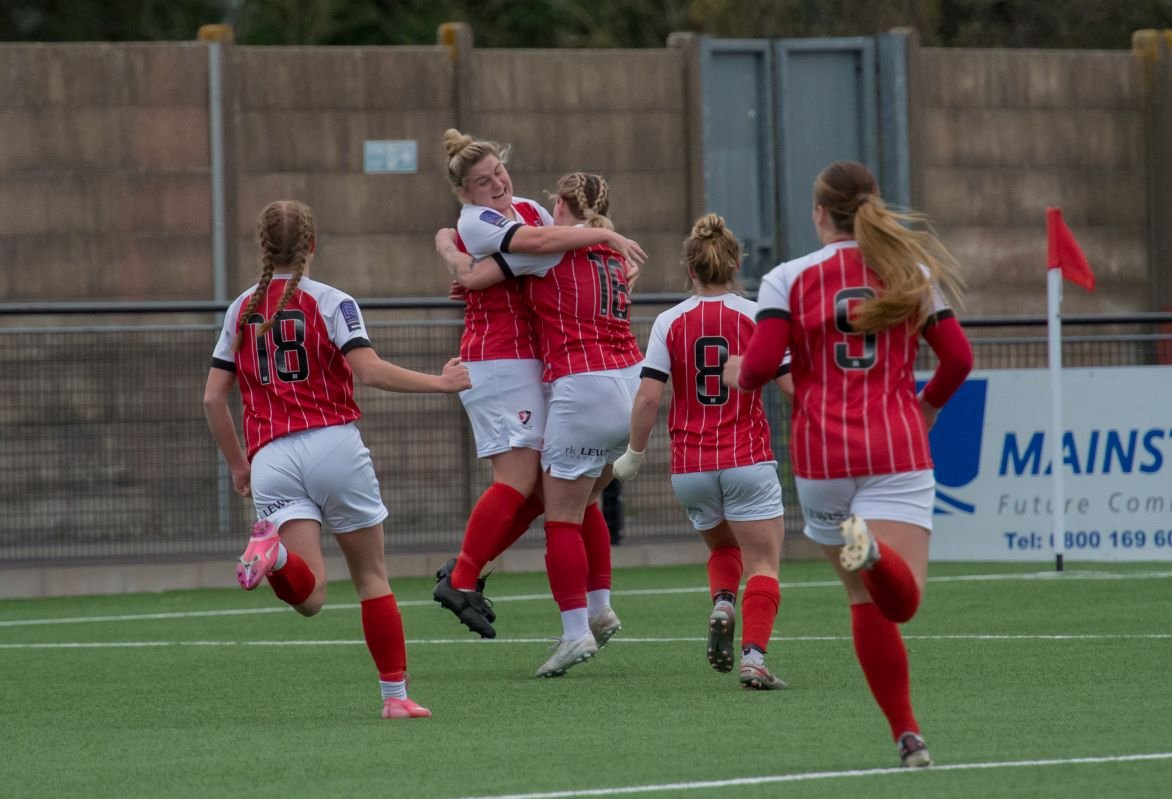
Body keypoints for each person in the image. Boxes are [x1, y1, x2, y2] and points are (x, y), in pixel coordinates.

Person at [723, 161, 974, 766]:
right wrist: (928, 408)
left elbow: (758, 368)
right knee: (902, 602)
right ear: (874, 206)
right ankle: (879, 556)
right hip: (895, 445)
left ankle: (907, 735)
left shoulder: (787, 277)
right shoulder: (908, 270)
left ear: (818, 214)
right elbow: (958, 359)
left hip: (822, 457)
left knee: (864, 603)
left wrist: (739, 372)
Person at [202, 199, 471, 720]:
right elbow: (367, 371)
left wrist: (239, 465)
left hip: (270, 458)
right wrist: (441, 383)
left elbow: (213, 398)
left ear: (262, 248)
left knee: (311, 597)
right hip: (332, 444)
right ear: (313, 245)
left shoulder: (240, 310)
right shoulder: (331, 301)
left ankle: (276, 558)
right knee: (372, 577)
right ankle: (395, 699)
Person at [432, 130, 644, 641]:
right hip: (500, 360)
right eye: (482, 182)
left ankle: (593, 608)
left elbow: (551, 247)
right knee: (524, 481)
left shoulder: (525, 206)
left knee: (569, 487)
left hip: (535, 360)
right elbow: (542, 246)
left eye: (498, 172)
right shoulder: (476, 220)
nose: (496, 184)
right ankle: (464, 577)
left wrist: (617, 263)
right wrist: (607, 236)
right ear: (464, 193)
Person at [612, 213, 793, 690]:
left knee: (722, 546)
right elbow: (792, 385)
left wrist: (633, 453)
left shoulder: (669, 321)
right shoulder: (757, 317)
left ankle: (722, 603)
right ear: (736, 265)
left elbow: (649, 396)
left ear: (690, 270)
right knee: (764, 563)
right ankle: (753, 659)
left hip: (690, 466)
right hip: (746, 457)